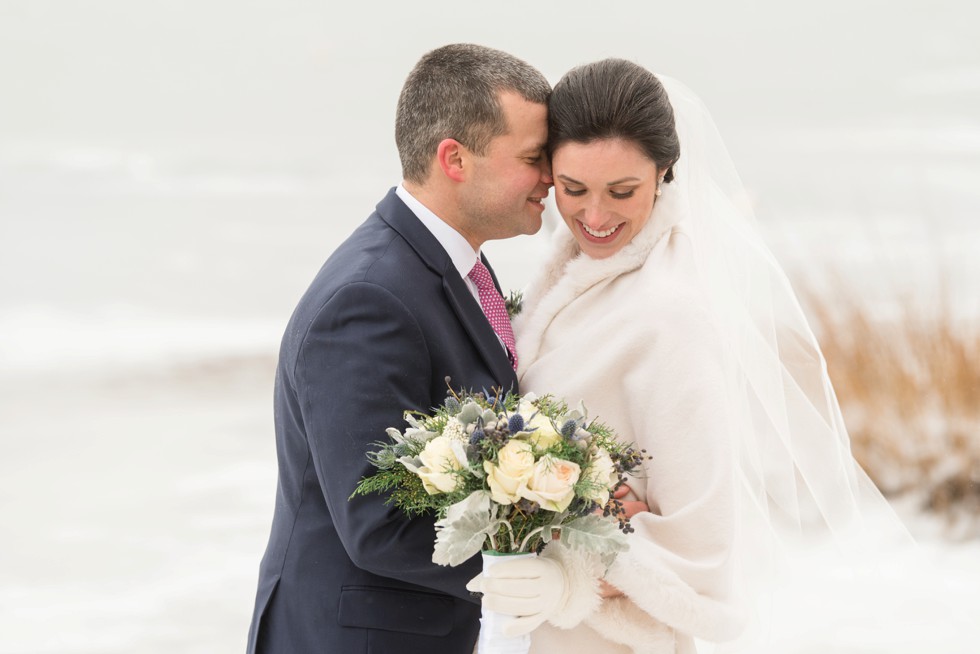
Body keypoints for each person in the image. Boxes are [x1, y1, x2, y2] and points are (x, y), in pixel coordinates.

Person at [467, 59, 906, 653]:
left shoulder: (671, 313)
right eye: (574, 190)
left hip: (607, 639)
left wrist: (564, 579)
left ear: (665, 172)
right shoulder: (570, 274)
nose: (595, 218)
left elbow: (701, 542)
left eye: (623, 192)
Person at [245, 43, 552, 654]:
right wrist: (536, 569)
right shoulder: (368, 299)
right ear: (455, 158)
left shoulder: (452, 266)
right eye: (532, 157)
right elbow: (377, 523)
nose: (548, 176)